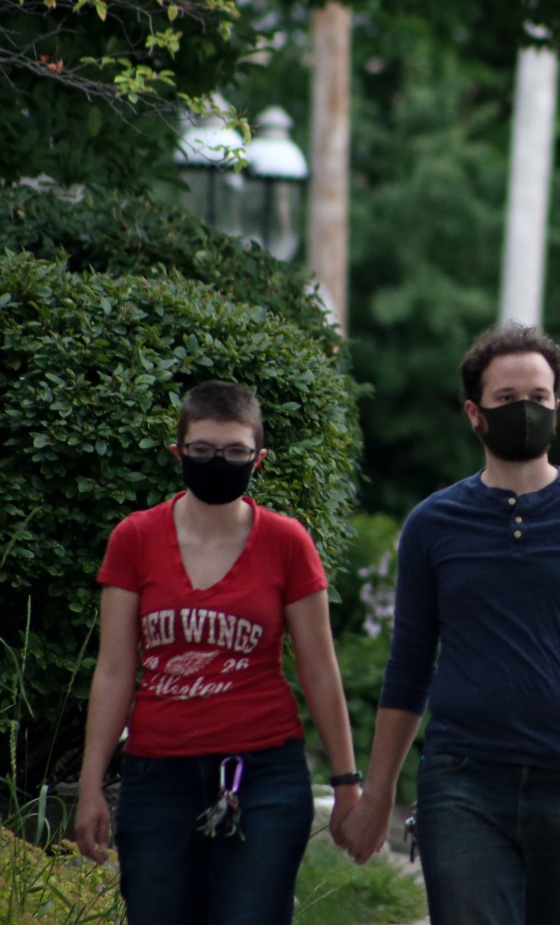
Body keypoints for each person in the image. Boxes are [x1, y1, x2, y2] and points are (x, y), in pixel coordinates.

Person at [336, 322, 560, 925]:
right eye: (508, 400)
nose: (526, 411)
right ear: (474, 412)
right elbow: (409, 665)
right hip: (464, 782)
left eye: (539, 398)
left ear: (557, 405)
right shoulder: (435, 524)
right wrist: (379, 792)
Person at [73, 380, 361, 925]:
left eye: (233, 452)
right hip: (158, 776)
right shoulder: (134, 539)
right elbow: (113, 671)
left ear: (258, 459)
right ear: (177, 453)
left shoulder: (287, 542)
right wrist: (91, 787)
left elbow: (320, 671)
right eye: (202, 451)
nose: (217, 463)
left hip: (264, 772)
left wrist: (347, 785)